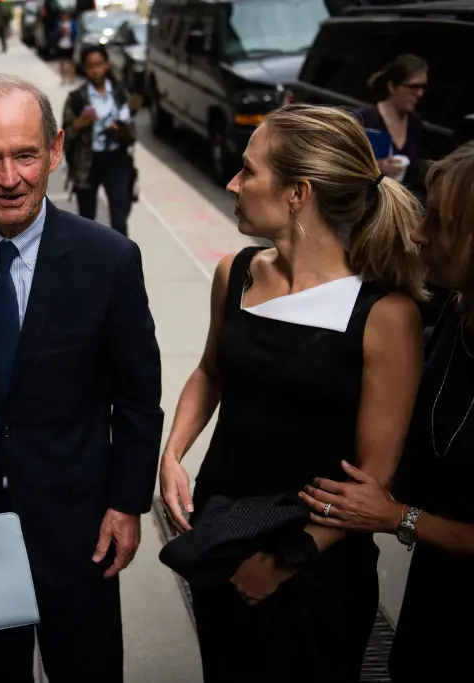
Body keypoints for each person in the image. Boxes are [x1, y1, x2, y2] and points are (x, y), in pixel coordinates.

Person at [159, 104, 425, 683]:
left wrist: (281, 565)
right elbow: (210, 371)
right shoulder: (239, 271)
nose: (233, 182)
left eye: (248, 171)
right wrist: (173, 455)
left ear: (298, 192)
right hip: (224, 536)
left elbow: (372, 481)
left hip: (317, 565)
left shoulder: (385, 315)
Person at [0, 73, 163, 683]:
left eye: (26, 154)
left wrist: (127, 503)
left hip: (78, 529)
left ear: (55, 150)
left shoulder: (108, 259)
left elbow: (137, 397)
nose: (9, 177)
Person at [300, 142, 474, 683]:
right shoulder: (454, 311)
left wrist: (401, 517)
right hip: (438, 597)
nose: (420, 234)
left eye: (440, 224)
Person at [62, 46, 137, 235]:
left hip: (116, 159)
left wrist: (121, 130)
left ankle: (120, 260)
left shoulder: (119, 93)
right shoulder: (77, 98)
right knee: (87, 222)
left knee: (120, 218)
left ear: (107, 65)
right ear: (84, 69)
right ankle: (91, 262)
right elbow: (65, 134)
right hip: (87, 162)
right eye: (90, 66)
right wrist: (80, 123)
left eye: (99, 65)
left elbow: (132, 131)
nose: (96, 70)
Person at [356, 54, 428, 189]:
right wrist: (374, 168)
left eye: (422, 87)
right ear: (392, 86)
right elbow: (339, 161)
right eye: (413, 87)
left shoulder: (414, 123)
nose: (419, 94)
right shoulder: (364, 118)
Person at [56, 12, 77, 85]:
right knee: (62, 62)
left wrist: (69, 31)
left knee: (72, 62)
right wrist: (60, 30)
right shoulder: (59, 23)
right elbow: (56, 34)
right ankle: (63, 78)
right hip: (62, 44)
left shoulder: (73, 23)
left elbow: (76, 32)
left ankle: (72, 78)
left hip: (71, 44)